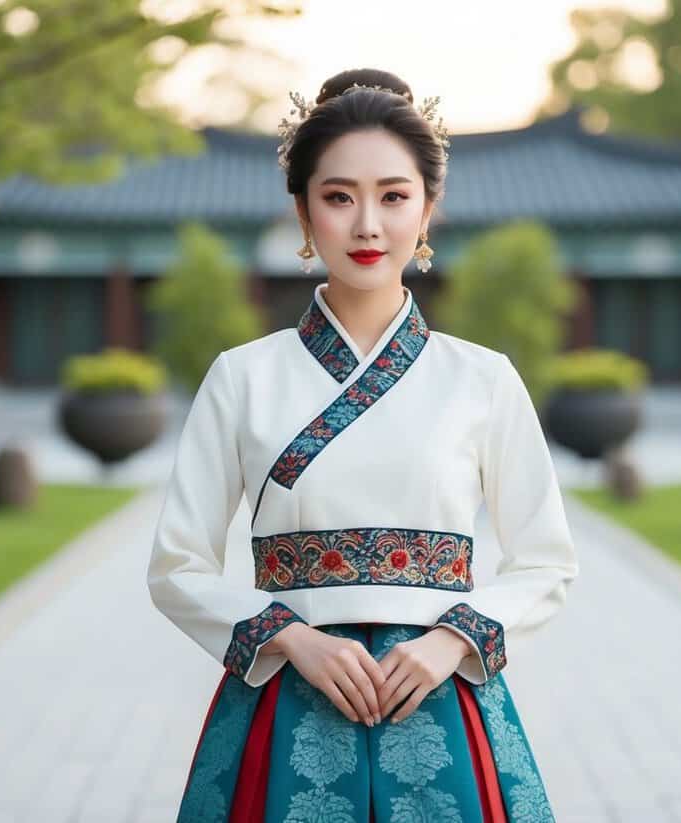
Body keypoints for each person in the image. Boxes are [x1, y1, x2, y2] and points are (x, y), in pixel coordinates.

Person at [146, 67, 580, 822]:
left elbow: (546, 560)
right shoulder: (241, 378)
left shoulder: (483, 379)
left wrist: (451, 641)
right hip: (286, 701)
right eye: (339, 197)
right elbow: (178, 564)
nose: (368, 225)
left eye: (393, 195)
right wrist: (291, 638)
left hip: (441, 698)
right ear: (304, 215)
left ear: (428, 209)